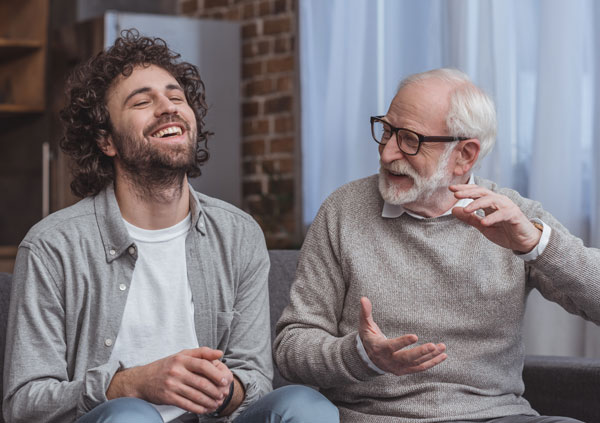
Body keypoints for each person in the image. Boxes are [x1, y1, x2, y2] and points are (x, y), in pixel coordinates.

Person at [2, 30, 338, 423]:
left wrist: (226, 389)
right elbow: (24, 403)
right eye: (143, 101)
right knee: (131, 416)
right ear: (106, 140)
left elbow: (255, 379)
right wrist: (129, 385)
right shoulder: (53, 246)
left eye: (176, 97)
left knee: (305, 405)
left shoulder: (238, 234)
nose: (168, 108)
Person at [273, 68, 600, 423]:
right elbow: (291, 346)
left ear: (465, 155)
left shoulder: (513, 218)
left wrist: (536, 244)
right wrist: (361, 356)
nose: (387, 153)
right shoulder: (343, 210)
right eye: (386, 131)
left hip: (495, 416)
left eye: (410, 139)